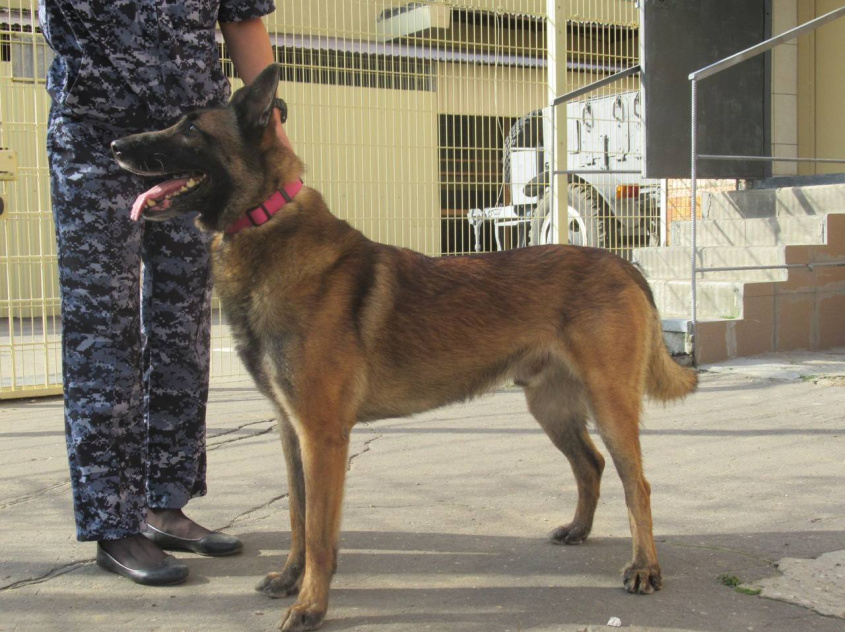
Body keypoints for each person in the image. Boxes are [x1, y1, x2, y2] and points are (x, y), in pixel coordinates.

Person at [39, 0, 290, 585]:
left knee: (183, 327)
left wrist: (270, 130)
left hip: (196, 143)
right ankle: (113, 521)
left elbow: (242, 20)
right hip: (96, 137)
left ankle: (165, 503)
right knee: (103, 331)